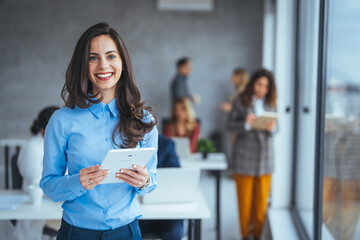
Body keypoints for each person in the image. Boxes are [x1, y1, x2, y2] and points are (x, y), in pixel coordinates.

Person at [40, 23, 158, 240]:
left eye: (111, 56)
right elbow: (48, 185)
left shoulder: (143, 120)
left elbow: (152, 180)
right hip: (76, 233)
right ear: (83, 65)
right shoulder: (61, 120)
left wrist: (144, 181)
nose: (103, 65)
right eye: (93, 57)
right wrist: (77, 182)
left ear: (122, 63)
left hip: (127, 233)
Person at [227, 68, 277, 240]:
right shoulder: (241, 101)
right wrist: (246, 124)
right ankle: (245, 236)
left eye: (265, 86)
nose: (261, 89)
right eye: (259, 84)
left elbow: (278, 127)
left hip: (265, 159)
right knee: (245, 203)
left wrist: (272, 128)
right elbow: (229, 125)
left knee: (261, 203)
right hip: (244, 158)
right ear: (253, 83)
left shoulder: (271, 104)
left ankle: (257, 235)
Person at [13, 106, 60, 240]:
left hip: (60, 206)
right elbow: (39, 183)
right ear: (43, 130)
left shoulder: (64, 145)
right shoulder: (32, 148)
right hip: (42, 212)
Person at [139, 135, 184, 240]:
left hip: (165, 205)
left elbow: (176, 177)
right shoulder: (125, 143)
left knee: (174, 231)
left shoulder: (167, 144)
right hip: (138, 209)